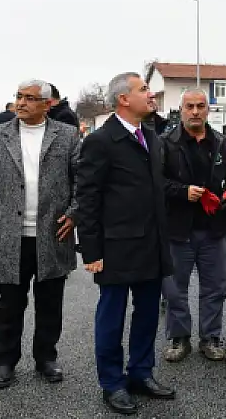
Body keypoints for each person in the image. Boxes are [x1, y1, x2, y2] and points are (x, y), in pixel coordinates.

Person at [0, 79, 80, 389]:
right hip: (8, 234)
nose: (21, 103)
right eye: (18, 97)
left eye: (30, 98)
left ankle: (46, 358)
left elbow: (81, 181)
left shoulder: (67, 135)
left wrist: (74, 214)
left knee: (50, 303)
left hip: (53, 233)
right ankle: (5, 361)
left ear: (47, 104)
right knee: (9, 304)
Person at [75, 72, 175, 415]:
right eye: (144, 89)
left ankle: (141, 373)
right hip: (117, 246)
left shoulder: (151, 135)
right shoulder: (101, 141)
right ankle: (113, 383)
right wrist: (91, 250)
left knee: (147, 314)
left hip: (152, 244)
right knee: (112, 317)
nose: (151, 95)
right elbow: (87, 198)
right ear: (123, 99)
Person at [160, 88, 226, 362]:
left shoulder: (220, 141)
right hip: (178, 229)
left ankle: (211, 338)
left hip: (213, 227)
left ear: (208, 109)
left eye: (200, 106)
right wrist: (182, 191)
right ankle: (179, 338)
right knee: (174, 289)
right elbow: (155, 182)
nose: (195, 112)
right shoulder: (165, 142)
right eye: (189, 106)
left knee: (215, 287)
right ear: (181, 110)